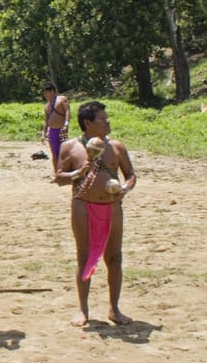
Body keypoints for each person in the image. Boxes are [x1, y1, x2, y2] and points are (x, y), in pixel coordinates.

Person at [53, 101, 137, 327]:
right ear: (88, 123)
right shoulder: (70, 148)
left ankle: (114, 308)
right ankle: (83, 309)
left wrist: (125, 189)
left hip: (112, 206)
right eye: (102, 119)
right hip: (83, 204)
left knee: (115, 257)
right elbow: (59, 178)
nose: (108, 122)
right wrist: (78, 173)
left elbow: (130, 175)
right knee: (84, 256)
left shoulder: (117, 147)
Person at [42, 82, 71, 172]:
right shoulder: (46, 106)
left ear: (53, 91)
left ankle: (65, 171)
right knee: (54, 153)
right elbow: (46, 121)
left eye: (47, 92)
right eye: (44, 93)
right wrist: (43, 133)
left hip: (61, 130)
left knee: (63, 152)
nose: (45, 95)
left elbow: (67, 112)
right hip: (52, 132)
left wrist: (66, 124)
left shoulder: (62, 99)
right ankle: (57, 174)